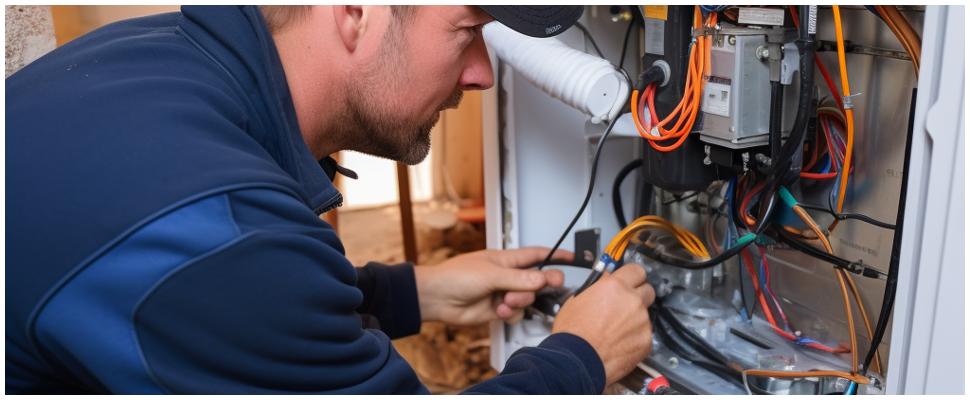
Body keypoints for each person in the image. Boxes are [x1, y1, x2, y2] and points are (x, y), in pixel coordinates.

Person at [6, 5, 655, 394]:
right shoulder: (223, 233)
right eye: (465, 29)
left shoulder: (161, 59)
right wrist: (580, 360)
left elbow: (211, 305)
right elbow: (227, 270)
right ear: (354, 12)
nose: (482, 72)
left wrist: (407, 293)